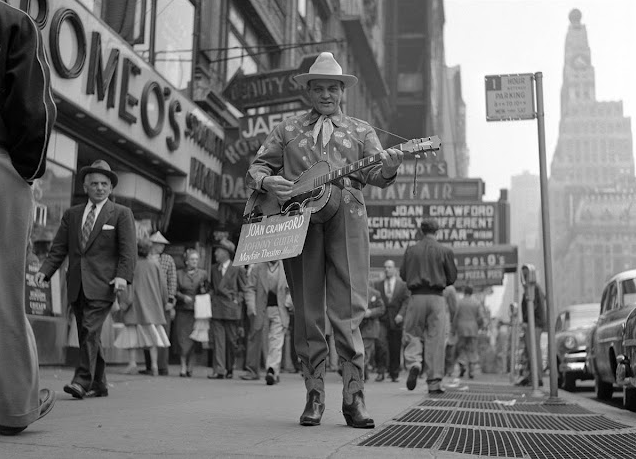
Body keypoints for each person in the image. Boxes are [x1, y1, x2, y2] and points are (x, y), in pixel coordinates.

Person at [246, 51, 403, 428]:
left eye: (333, 88)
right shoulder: (286, 129)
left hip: (347, 219)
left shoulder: (362, 131)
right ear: (309, 92)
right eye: (319, 88)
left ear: (342, 91)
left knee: (349, 307)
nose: (327, 94)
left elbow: (379, 174)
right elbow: (256, 167)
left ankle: (354, 397)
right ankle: (314, 393)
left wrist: (391, 166)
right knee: (307, 309)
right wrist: (269, 181)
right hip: (296, 222)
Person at [0, 2, 57, 435]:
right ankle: (14, 404)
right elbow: (31, 106)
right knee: (4, 288)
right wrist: (28, 170)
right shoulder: (13, 21)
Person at [36, 159, 136, 399]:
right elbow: (59, 248)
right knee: (86, 333)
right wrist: (45, 271)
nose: (100, 187)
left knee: (90, 329)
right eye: (94, 184)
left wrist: (122, 278)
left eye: (104, 184)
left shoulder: (121, 213)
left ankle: (81, 381)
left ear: (111, 188)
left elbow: (127, 252)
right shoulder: (72, 214)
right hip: (77, 283)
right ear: (85, 186)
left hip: (105, 284)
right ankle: (99, 384)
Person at [400, 217, 457, 394]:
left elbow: (403, 275)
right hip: (436, 298)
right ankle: (433, 382)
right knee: (435, 339)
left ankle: (415, 363)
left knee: (413, 333)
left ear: (421, 231)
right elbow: (452, 278)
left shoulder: (411, 250)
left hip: (416, 297)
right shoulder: (445, 250)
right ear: (437, 231)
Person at [114, 239, 170, 376]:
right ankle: (155, 365)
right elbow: (163, 287)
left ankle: (132, 363)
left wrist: (123, 302)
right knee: (152, 336)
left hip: (135, 304)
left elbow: (127, 286)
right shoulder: (155, 265)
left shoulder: (132, 266)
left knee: (131, 334)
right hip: (153, 305)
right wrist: (164, 301)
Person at [242, 260, 293, 385]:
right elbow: (250, 288)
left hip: (280, 310)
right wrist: (251, 306)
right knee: (265, 342)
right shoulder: (257, 268)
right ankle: (269, 369)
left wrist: (289, 301)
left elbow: (293, 286)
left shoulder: (287, 267)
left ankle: (272, 370)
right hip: (261, 310)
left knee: (276, 340)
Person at [208, 239, 247, 379]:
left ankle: (229, 368)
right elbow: (212, 288)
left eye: (218, 250)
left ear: (226, 252)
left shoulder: (237, 268)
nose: (215, 253)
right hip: (217, 308)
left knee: (231, 341)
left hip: (231, 310)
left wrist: (237, 300)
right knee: (218, 340)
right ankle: (219, 369)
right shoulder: (213, 268)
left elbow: (244, 289)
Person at [140, 231, 177, 376]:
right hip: (147, 300)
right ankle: (150, 365)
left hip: (162, 301)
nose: (162, 247)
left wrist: (170, 300)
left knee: (163, 334)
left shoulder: (167, 259)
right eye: (159, 244)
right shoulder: (145, 259)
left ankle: (162, 366)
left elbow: (172, 281)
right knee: (147, 332)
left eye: (163, 244)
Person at [374, 259, 410, 382]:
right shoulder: (378, 285)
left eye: (389, 267)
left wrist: (401, 314)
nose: (387, 269)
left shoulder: (402, 285)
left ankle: (394, 372)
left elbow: (406, 301)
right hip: (382, 320)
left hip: (396, 320)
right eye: (385, 267)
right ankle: (381, 371)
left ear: (394, 269)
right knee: (381, 345)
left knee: (395, 347)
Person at [173, 248, 207, 377]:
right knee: (182, 339)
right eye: (192, 259)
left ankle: (190, 366)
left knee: (195, 338)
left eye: (197, 259)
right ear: (186, 261)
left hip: (198, 311)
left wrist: (203, 292)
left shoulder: (203, 274)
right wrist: (182, 297)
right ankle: (182, 365)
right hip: (183, 310)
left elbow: (208, 290)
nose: (195, 262)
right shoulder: (179, 274)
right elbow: (174, 290)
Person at [519, 268, 546, 386]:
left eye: (525, 275)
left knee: (534, 351)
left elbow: (532, 306)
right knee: (530, 352)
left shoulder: (533, 288)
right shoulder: (532, 288)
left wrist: (526, 321)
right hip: (533, 324)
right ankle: (532, 376)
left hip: (534, 324)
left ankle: (537, 377)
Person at [453, 286, 484, 379]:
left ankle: (462, 364)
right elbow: (481, 316)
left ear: (464, 292)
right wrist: (480, 325)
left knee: (461, 348)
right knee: (472, 349)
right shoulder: (476, 302)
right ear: (472, 292)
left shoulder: (459, 302)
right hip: (473, 328)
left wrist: (453, 328)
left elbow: (455, 316)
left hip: (461, 328)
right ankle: (471, 370)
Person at [360, 285, 386, 382]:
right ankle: (363, 374)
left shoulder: (374, 293)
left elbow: (382, 308)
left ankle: (360, 374)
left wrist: (370, 312)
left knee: (365, 352)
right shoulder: (353, 291)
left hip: (369, 327)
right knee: (360, 351)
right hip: (357, 327)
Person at [443, 285, 458, 377]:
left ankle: (440, 369)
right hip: (446, 320)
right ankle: (448, 369)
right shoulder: (450, 289)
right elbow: (454, 308)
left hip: (435, 320)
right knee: (449, 346)